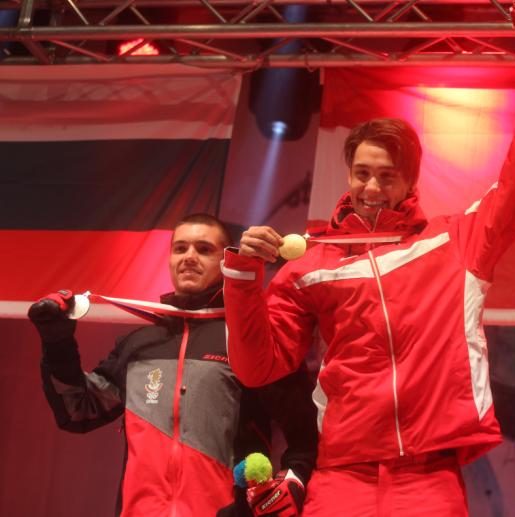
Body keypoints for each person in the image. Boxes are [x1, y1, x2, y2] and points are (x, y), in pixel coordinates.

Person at [218, 0, 515, 509]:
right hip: (341, 470)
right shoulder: (312, 263)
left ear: (410, 182)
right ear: (348, 175)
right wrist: (243, 276)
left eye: (387, 175)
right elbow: (258, 368)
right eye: (362, 173)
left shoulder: (454, 241)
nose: (372, 187)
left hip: (428, 472)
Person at [28, 213, 318, 517]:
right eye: (180, 248)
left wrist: (293, 481)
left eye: (204, 249)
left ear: (225, 261)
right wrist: (57, 342)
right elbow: (79, 410)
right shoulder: (139, 344)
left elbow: (306, 434)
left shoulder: (248, 339)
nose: (189, 257)